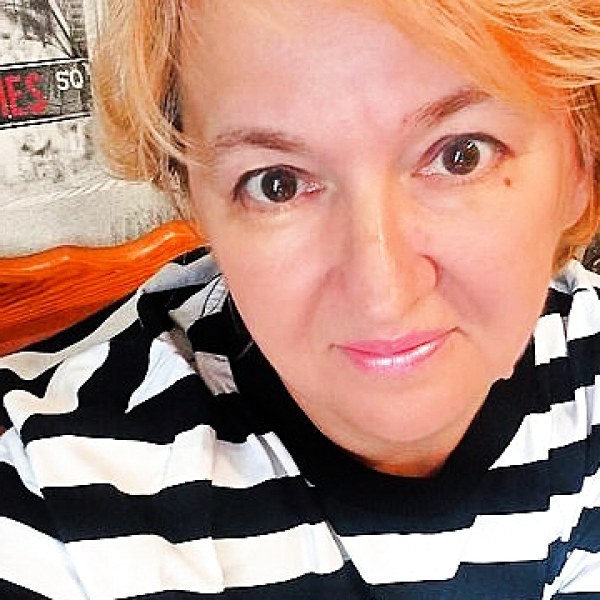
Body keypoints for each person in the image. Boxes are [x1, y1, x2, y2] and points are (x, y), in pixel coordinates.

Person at [1, 0, 599, 597]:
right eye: (277, 184)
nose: (381, 295)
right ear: (195, 202)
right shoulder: (42, 490)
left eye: (461, 155)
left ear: (583, 158)